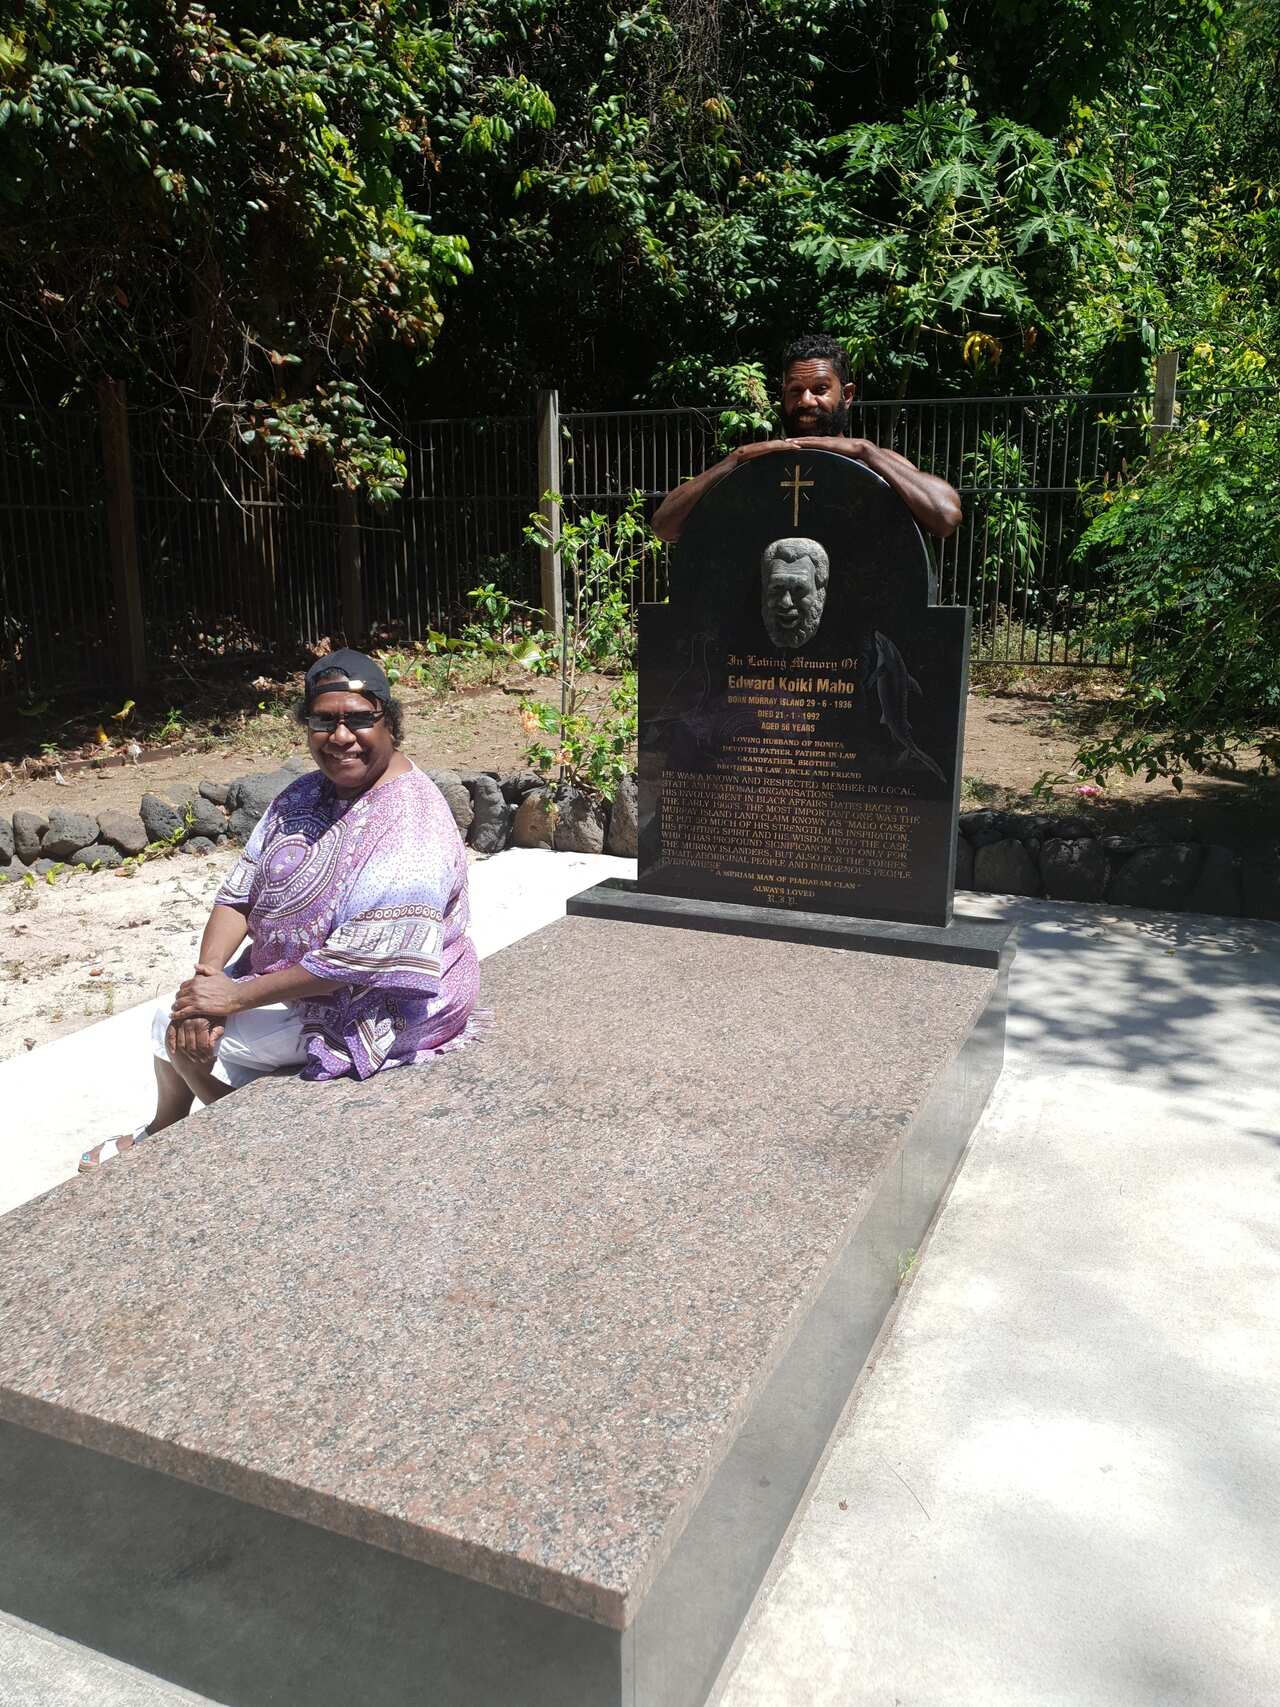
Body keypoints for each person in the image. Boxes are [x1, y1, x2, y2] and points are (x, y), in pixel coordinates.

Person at [80, 649, 481, 1169]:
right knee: (185, 1015)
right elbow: (239, 893)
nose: (341, 736)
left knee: (167, 1027)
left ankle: (245, 1140)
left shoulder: (411, 823)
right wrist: (208, 983)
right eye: (324, 720)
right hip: (292, 978)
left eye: (359, 719)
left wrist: (234, 998)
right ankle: (172, 1126)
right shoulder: (303, 794)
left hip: (381, 1000)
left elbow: (357, 962)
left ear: (389, 723)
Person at [651, 334, 963, 544]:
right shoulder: (755, 467)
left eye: (821, 389)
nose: (807, 401)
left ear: (848, 395)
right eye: (795, 390)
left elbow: (946, 517)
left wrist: (866, 452)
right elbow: (664, 527)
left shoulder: (875, 464)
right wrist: (733, 461)